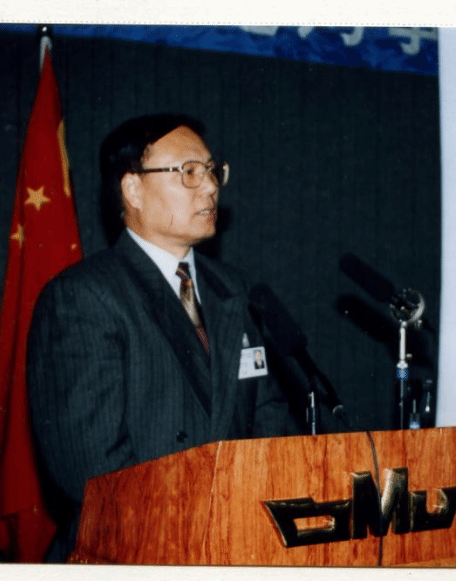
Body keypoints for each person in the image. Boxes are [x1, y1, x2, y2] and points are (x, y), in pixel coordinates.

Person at [27, 113, 298, 561]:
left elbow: (267, 419)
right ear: (132, 189)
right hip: (136, 552)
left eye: (212, 170)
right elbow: (91, 467)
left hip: (235, 546)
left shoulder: (234, 289)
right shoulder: (82, 296)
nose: (209, 187)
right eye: (189, 172)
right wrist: (191, 528)